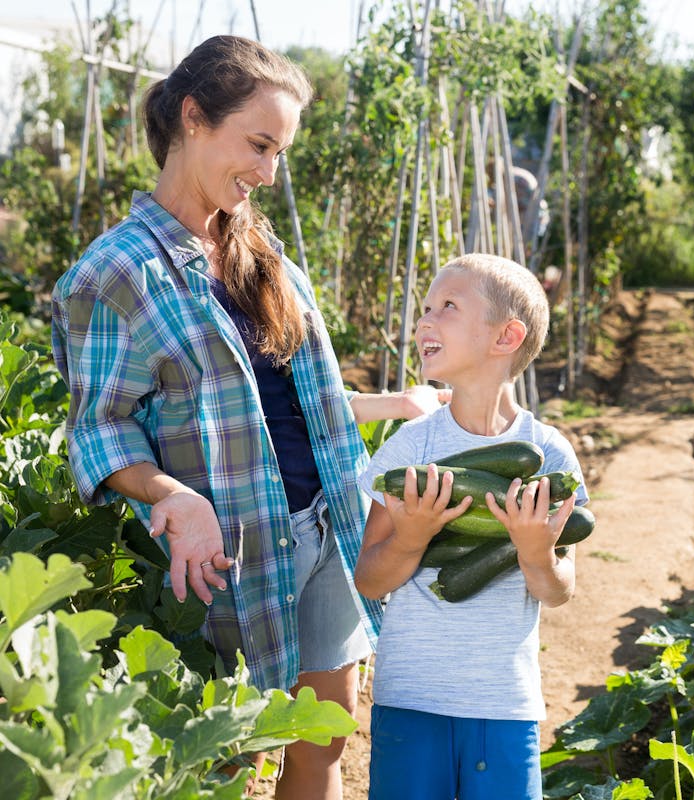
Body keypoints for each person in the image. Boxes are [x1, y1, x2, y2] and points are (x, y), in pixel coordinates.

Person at [50, 34, 445, 799]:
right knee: (231, 759)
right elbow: (99, 428)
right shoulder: (113, 275)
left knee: (322, 744)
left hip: (323, 525)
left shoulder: (257, 249)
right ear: (194, 118)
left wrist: (389, 414)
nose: (268, 173)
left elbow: (288, 398)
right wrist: (173, 496)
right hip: (228, 550)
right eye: (258, 145)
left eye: (280, 153)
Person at [355, 252, 588, 800]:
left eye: (448, 307)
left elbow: (559, 590)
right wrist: (411, 538)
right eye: (426, 307)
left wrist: (534, 553)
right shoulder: (411, 448)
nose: (425, 320)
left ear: (506, 336)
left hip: (503, 703)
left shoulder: (550, 455)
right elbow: (369, 579)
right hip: (410, 697)